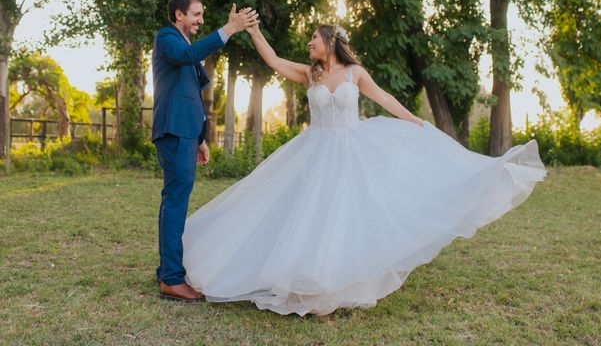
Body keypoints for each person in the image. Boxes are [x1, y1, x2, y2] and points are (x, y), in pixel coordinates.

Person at [182, 22, 547, 315]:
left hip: (351, 149)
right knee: (309, 214)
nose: (309, 42)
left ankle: (338, 281)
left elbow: (383, 97)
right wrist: (254, 32)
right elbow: (275, 61)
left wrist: (411, 120)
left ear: (330, 42)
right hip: (315, 151)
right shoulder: (310, 74)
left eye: (314, 37)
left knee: (346, 216)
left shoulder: (355, 73)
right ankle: (304, 279)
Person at [151, 0, 259, 302]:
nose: (200, 19)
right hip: (173, 130)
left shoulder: (185, 46)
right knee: (175, 201)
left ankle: (168, 270)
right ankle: (171, 278)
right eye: (196, 14)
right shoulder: (167, 38)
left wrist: (200, 137)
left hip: (186, 133)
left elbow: (191, 92)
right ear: (178, 15)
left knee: (177, 200)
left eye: (201, 14)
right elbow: (186, 59)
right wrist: (228, 30)